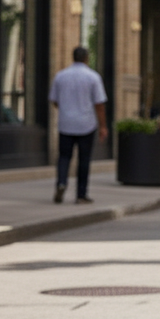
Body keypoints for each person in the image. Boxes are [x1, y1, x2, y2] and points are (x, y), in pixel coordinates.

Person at [49, 46, 108, 205]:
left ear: (73, 57)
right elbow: (99, 104)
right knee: (84, 159)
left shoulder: (60, 76)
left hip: (66, 123)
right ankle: (81, 194)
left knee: (64, 157)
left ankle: (61, 183)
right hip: (86, 124)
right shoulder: (93, 77)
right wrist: (103, 126)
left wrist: (66, 108)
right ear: (86, 58)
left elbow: (54, 100)